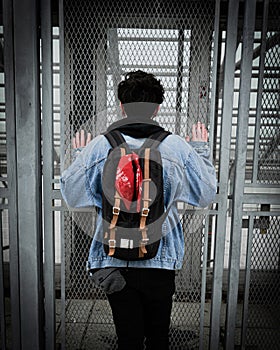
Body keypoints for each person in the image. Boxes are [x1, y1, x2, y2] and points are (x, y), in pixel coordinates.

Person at [60, 70, 216, 350]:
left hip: (113, 262)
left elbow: (72, 196)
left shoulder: (99, 147)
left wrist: (79, 155)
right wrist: (201, 149)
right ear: (156, 109)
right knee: (158, 338)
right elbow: (205, 195)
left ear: (121, 107)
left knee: (128, 338)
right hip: (160, 260)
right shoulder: (176, 147)